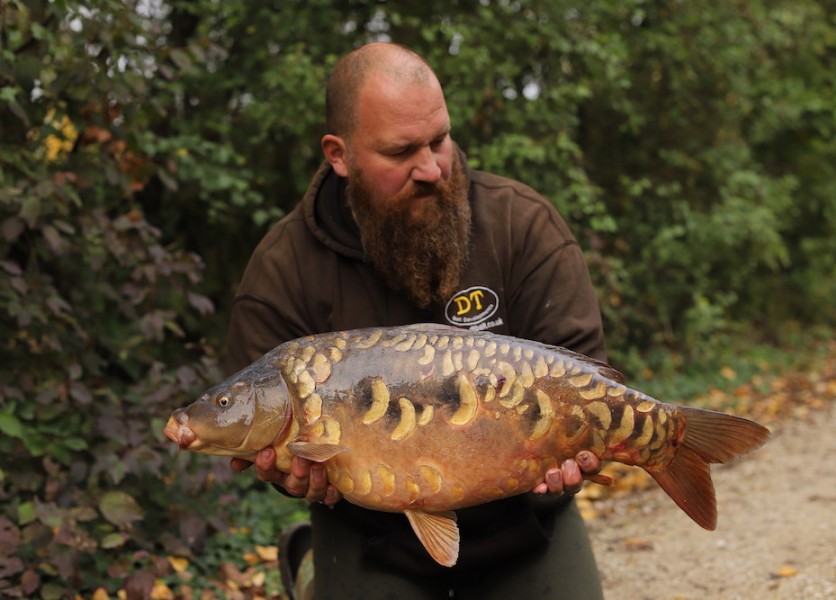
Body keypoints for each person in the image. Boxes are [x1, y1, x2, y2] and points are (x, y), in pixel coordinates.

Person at [225, 42, 609, 599]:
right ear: (339, 154)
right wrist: (291, 476)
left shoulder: (522, 225)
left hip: (523, 520)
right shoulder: (283, 271)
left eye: (439, 140)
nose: (431, 169)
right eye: (402, 151)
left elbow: (585, 370)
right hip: (370, 533)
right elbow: (263, 428)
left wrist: (573, 456)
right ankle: (313, 568)